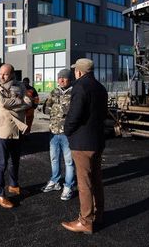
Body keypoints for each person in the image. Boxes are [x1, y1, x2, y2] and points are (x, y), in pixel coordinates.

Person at [61, 58, 108, 234]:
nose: (74, 73)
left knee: (84, 183)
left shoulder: (80, 87)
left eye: (75, 70)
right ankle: (98, 214)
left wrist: (67, 130)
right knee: (96, 179)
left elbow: (74, 115)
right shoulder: (100, 88)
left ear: (79, 72)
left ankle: (85, 221)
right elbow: (103, 114)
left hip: (82, 142)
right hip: (97, 140)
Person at [0, 64, 32, 209]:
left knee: (15, 161)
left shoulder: (20, 85)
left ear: (12, 74)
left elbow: (28, 102)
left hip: (17, 130)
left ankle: (13, 185)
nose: (1, 76)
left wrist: (14, 104)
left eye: (5, 74)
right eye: (0, 73)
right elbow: (1, 103)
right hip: (3, 131)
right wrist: (19, 101)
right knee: (2, 163)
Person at [41, 69, 76, 200]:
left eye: (64, 78)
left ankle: (68, 186)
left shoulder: (74, 93)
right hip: (53, 132)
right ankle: (55, 181)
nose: (61, 80)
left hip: (67, 133)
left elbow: (73, 112)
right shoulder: (54, 92)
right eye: (59, 77)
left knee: (69, 161)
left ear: (70, 79)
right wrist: (59, 109)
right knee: (54, 159)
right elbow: (45, 108)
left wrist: (57, 109)